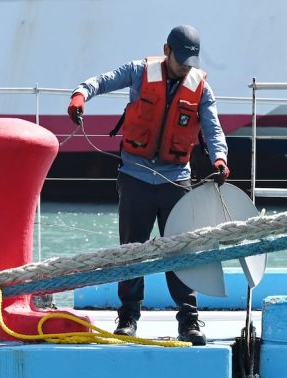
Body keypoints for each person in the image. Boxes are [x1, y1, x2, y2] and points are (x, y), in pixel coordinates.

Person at [67, 25, 229, 346]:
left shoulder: (200, 88)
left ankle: (189, 320)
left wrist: (220, 159)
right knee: (131, 251)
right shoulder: (139, 72)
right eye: (180, 59)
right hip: (135, 178)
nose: (185, 66)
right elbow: (100, 81)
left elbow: (213, 128)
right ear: (166, 50)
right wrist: (79, 96)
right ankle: (128, 316)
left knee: (181, 251)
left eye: (190, 61)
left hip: (175, 180)